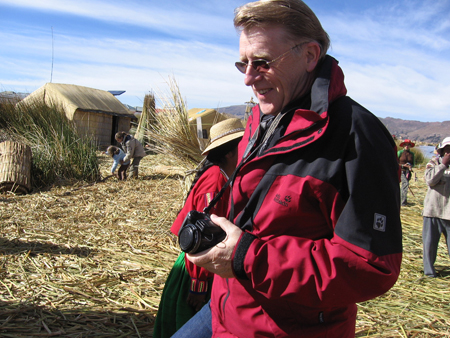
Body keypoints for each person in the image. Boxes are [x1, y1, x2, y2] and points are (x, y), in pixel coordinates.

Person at [174, 1, 402, 337]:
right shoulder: (262, 120)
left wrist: (247, 257)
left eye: (263, 63)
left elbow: (370, 266)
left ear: (310, 55)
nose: (249, 78)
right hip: (229, 308)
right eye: (243, 64)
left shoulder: (357, 137)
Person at [153, 118, 244, 338]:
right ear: (230, 153)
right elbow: (199, 237)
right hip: (196, 265)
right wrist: (198, 284)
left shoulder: (227, 177)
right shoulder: (214, 182)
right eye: (244, 145)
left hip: (210, 263)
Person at [422, 136, 450, 277]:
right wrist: (443, 165)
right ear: (442, 150)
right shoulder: (433, 163)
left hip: (449, 213)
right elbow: (430, 180)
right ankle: (429, 273)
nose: (449, 152)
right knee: (429, 245)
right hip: (433, 210)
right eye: (447, 149)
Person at [398, 139, 416, 206]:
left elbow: (413, 163)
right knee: (405, 185)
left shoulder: (412, 154)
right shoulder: (400, 153)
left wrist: (410, 167)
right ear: (403, 145)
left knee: (404, 186)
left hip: (408, 172)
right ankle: (402, 202)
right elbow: (395, 162)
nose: (407, 146)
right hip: (401, 171)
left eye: (408, 145)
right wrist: (403, 165)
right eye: (405, 145)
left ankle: (402, 200)